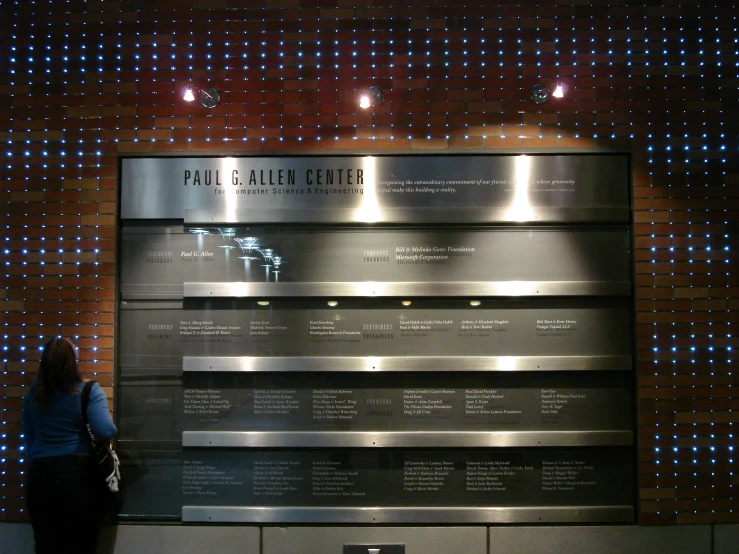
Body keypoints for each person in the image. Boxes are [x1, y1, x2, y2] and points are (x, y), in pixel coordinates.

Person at [22, 337, 117, 554]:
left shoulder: (34, 395)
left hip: (40, 477)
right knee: (82, 544)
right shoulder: (88, 390)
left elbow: (30, 438)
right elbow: (106, 431)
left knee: (46, 545)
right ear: (72, 362)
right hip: (78, 477)